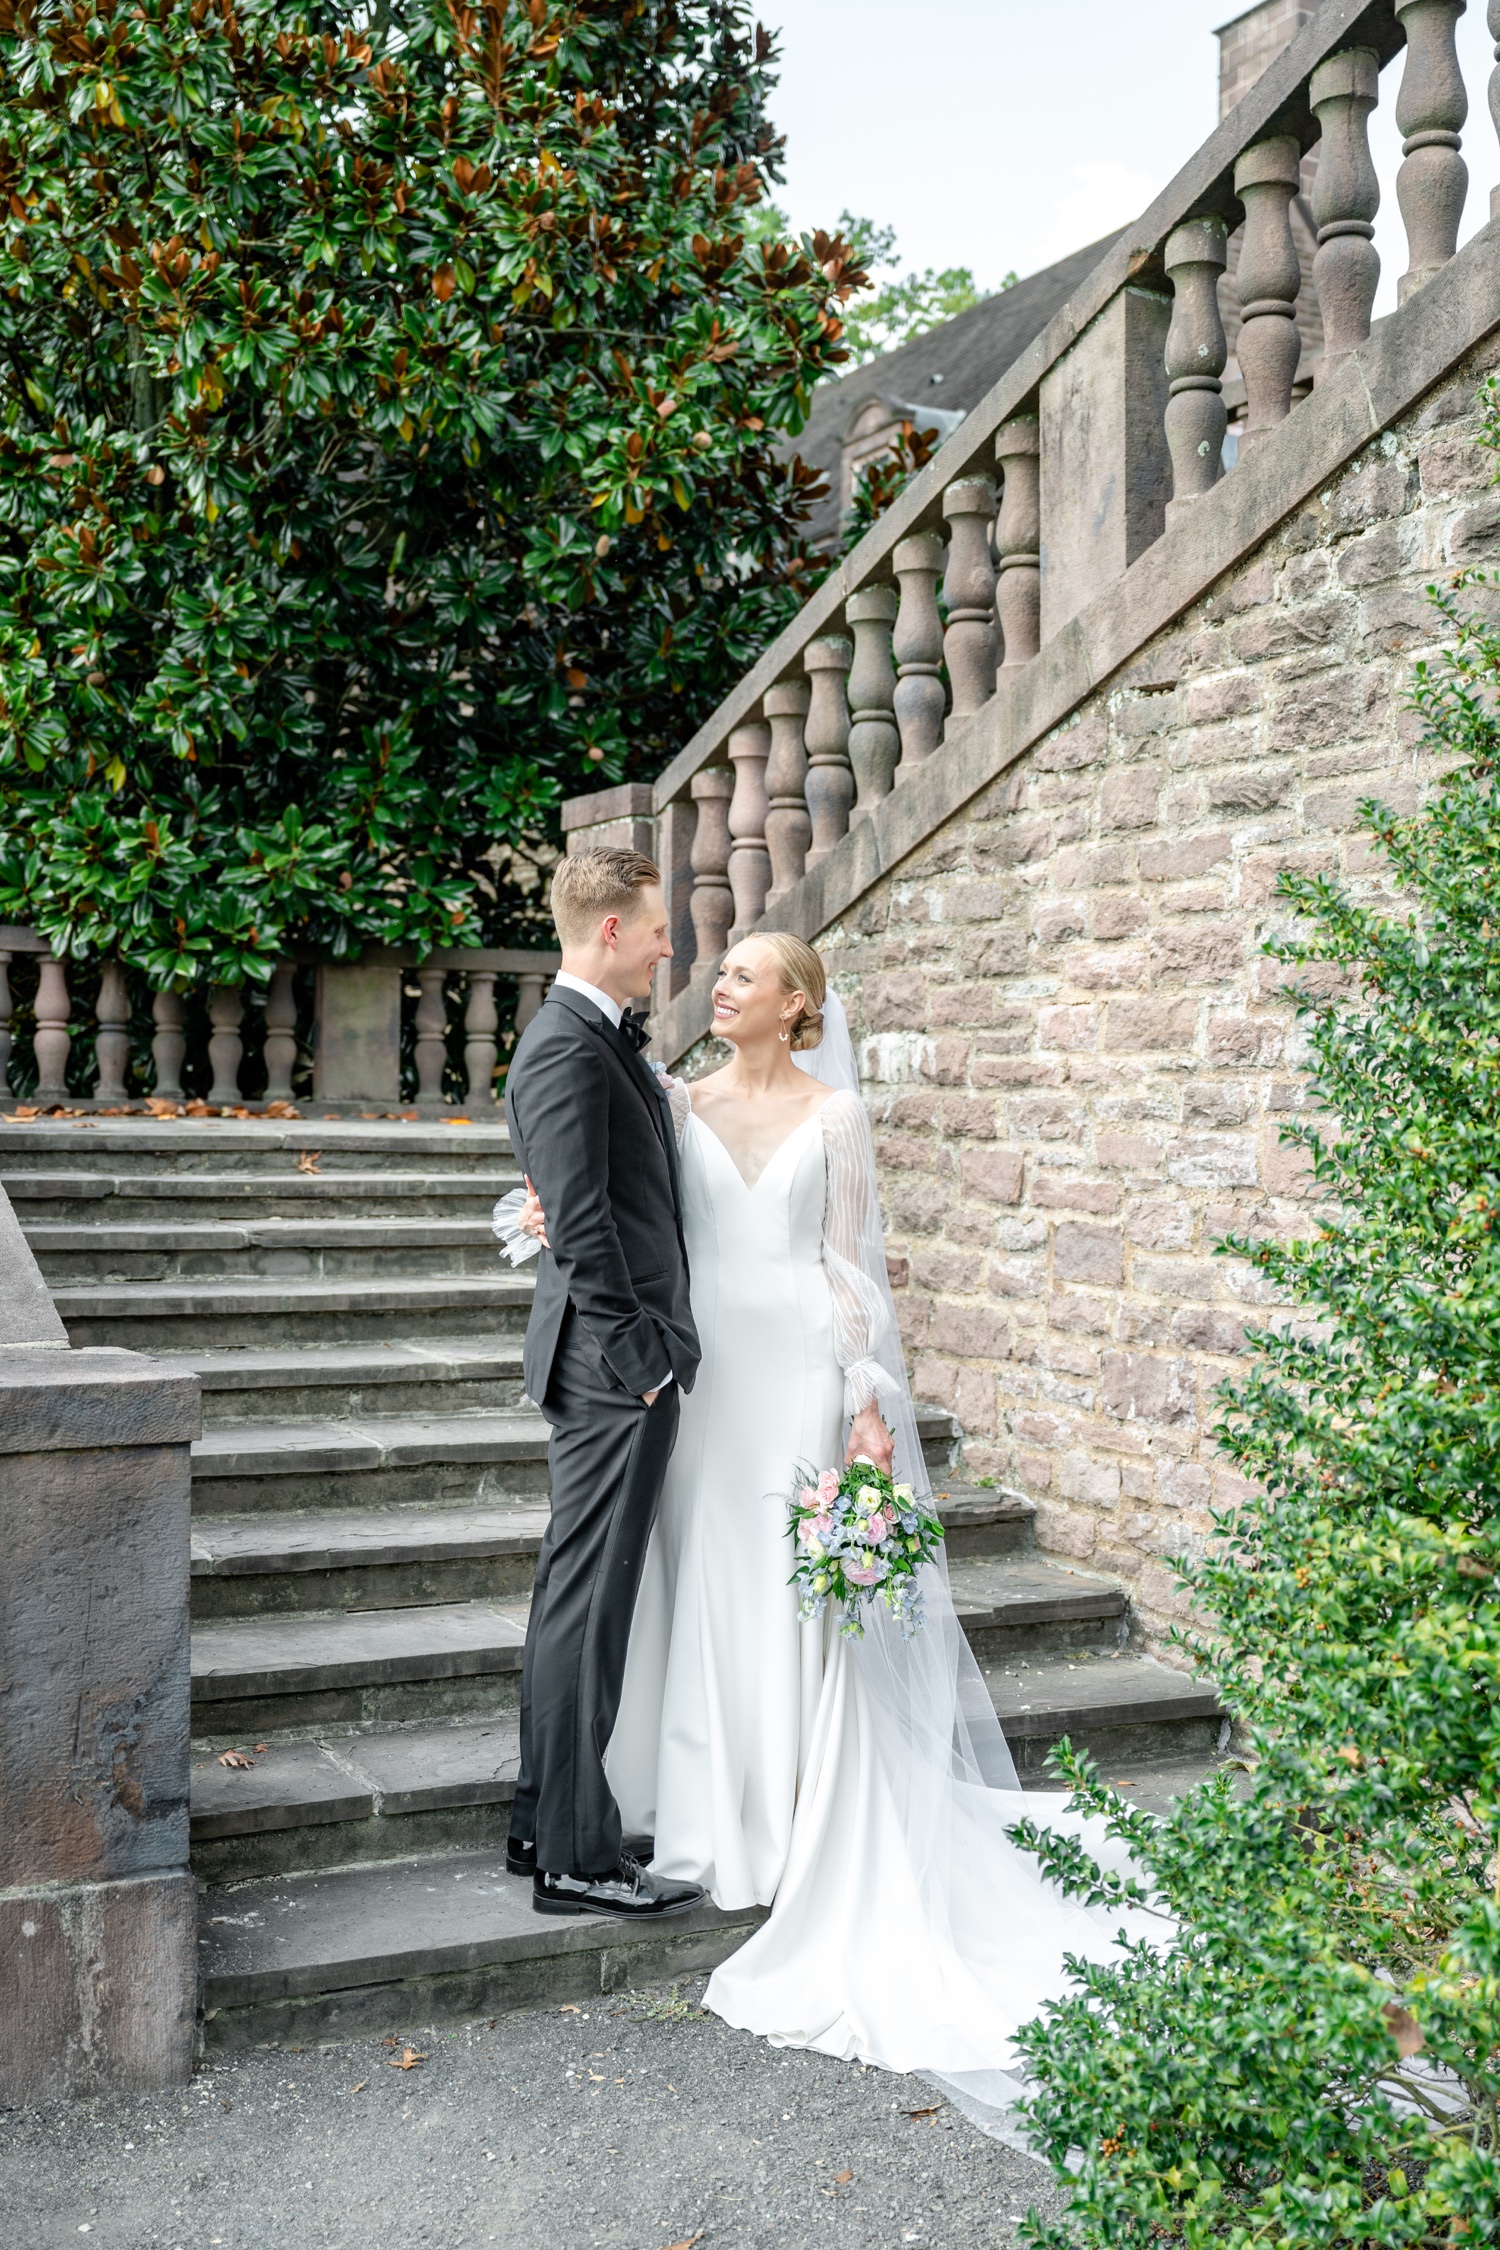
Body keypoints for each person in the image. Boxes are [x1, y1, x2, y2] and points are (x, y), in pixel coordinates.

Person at [514, 928, 1156, 2134]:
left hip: (801, 1367)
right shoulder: (669, 1096)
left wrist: (868, 1399)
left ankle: (800, 1816)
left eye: (749, 975)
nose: (722, 983)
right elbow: (604, 1199)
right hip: (701, 1382)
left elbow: (851, 1262)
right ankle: (705, 1814)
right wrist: (545, 1223)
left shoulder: (838, 1118)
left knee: (786, 1584)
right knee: (704, 1578)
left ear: (798, 1006)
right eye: (725, 971)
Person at [501, 846, 704, 1922]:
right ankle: (579, 1855)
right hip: (611, 1367)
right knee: (591, 1606)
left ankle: (544, 1818)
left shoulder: (588, 1038)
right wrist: (642, 1360)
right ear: (612, 930)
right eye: (657, 924)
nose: (673, 943)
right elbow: (578, 1226)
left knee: (573, 1597)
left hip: (605, 1360)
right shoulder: (566, 1047)